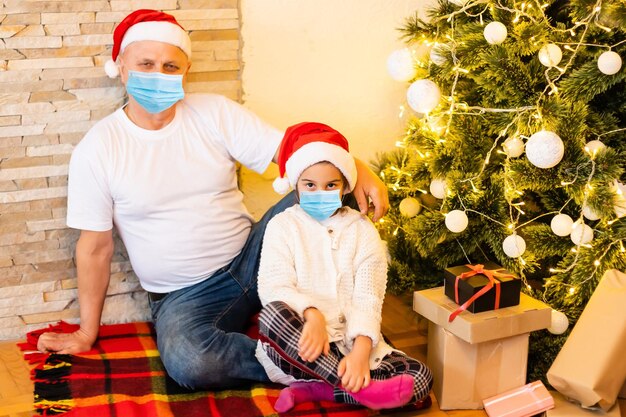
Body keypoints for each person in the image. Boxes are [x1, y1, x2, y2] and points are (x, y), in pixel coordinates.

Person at [35, 9, 389, 390]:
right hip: (184, 296)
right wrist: (88, 331)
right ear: (121, 67)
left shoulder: (213, 113)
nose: (158, 74)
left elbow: (299, 155)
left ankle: (354, 336)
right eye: (146, 64)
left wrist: (358, 168)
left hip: (256, 257)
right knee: (190, 361)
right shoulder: (98, 149)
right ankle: (315, 364)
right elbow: (94, 250)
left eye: (170, 66)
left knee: (335, 186)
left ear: (185, 71)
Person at [256, 122, 433, 412]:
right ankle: (368, 392)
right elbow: (274, 285)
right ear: (296, 185)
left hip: (352, 345)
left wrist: (361, 352)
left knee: (421, 378)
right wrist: (312, 317)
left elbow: (368, 296)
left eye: (331, 185)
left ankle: (318, 389)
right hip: (304, 349)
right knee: (271, 315)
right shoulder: (283, 226)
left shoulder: (361, 230)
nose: (319, 192)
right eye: (309, 185)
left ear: (345, 186)